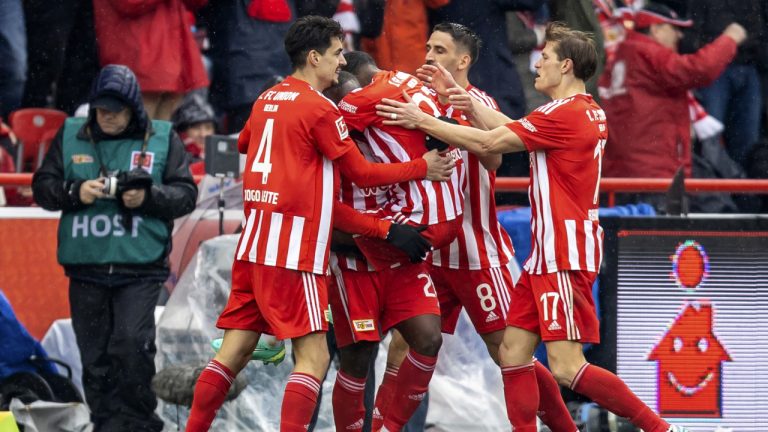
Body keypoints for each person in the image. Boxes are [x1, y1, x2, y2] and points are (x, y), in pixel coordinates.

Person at [377, 21, 692, 432]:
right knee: (512, 355)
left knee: (566, 368)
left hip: (562, 253)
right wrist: (466, 104)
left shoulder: (563, 114)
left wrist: (421, 120)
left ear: (565, 66)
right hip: (545, 255)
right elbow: (509, 127)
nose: (535, 64)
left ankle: (660, 428)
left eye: (543, 58)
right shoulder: (578, 111)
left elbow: (491, 145)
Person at [184, 16, 453, 432]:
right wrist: (421, 166)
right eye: (336, 53)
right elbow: (361, 174)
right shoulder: (320, 109)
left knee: (232, 353)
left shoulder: (265, 98)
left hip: (254, 243)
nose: (341, 62)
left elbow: (243, 143)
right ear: (314, 57)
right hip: (295, 249)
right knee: (314, 360)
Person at [380, 22, 581, 432]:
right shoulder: (408, 100)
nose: (429, 58)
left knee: (508, 353)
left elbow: (492, 160)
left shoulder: (477, 101)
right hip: (428, 250)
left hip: (476, 253)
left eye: (440, 51)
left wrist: (440, 117)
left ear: (463, 60)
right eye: (428, 49)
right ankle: (385, 427)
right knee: (405, 344)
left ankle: (563, 427)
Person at [32, 64, 198, 431]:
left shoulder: (162, 137)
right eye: (101, 109)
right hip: (85, 265)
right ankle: (105, 422)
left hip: (140, 266)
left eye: (116, 111)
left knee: (131, 344)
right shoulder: (72, 133)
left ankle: (139, 423)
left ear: (134, 109)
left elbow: (186, 195)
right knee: (94, 357)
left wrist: (147, 197)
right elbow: (44, 186)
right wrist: (76, 192)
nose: (107, 117)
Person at [327, 50, 465, 432]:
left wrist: (437, 130)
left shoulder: (387, 111)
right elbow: (329, 210)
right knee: (355, 359)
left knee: (428, 338)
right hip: (354, 255)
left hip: (397, 243)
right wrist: (387, 231)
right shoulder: (326, 126)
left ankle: (388, 428)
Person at [599, 3, 746, 182]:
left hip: (621, 171)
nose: (679, 35)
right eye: (674, 28)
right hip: (652, 173)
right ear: (656, 29)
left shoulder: (623, 55)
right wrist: (729, 39)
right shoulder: (648, 52)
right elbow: (697, 70)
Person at [93, 0, 209, 120]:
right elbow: (128, 3)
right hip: (139, 53)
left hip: (170, 53)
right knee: (138, 126)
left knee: (160, 130)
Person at [170, 92, 217, 175]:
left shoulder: (223, 157)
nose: (203, 134)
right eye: (196, 128)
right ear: (183, 131)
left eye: (208, 128)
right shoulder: (174, 158)